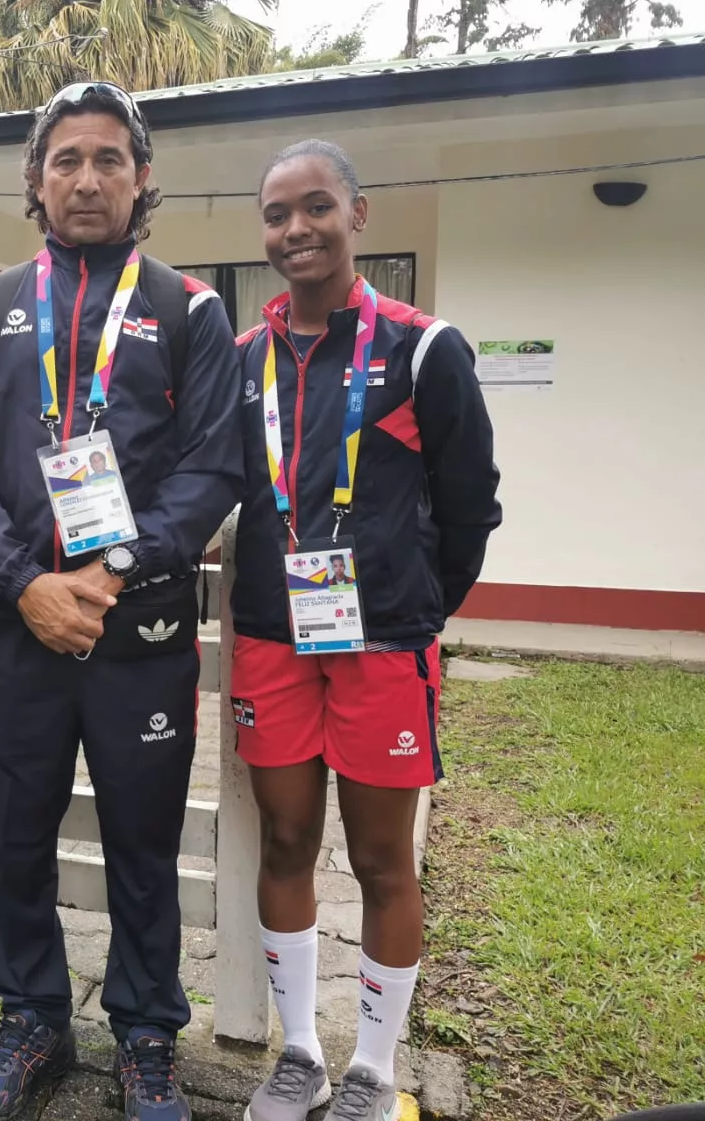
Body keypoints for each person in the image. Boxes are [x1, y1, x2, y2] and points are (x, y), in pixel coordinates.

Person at [0, 82, 244, 1121]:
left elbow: (211, 468)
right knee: (16, 835)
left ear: (141, 177)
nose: (86, 178)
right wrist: (24, 585)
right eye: (65, 159)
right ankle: (31, 1019)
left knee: (141, 839)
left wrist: (108, 571)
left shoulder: (187, 309)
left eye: (108, 159)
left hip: (138, 626)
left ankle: (146, 1031)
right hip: (17, 626)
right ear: (34, 180)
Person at [233, 140, 501, 1121]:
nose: (293, 229)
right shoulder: (245, 358)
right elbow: (225, 485)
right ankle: (299, 1053)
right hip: (272, 637)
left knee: (383, 860)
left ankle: (372, 1070)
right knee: (287, 841)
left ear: (358, 215)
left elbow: (470, 511)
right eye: (275, 214)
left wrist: (415, 609)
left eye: (313, 208)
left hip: (384, 647)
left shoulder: (423, 349)